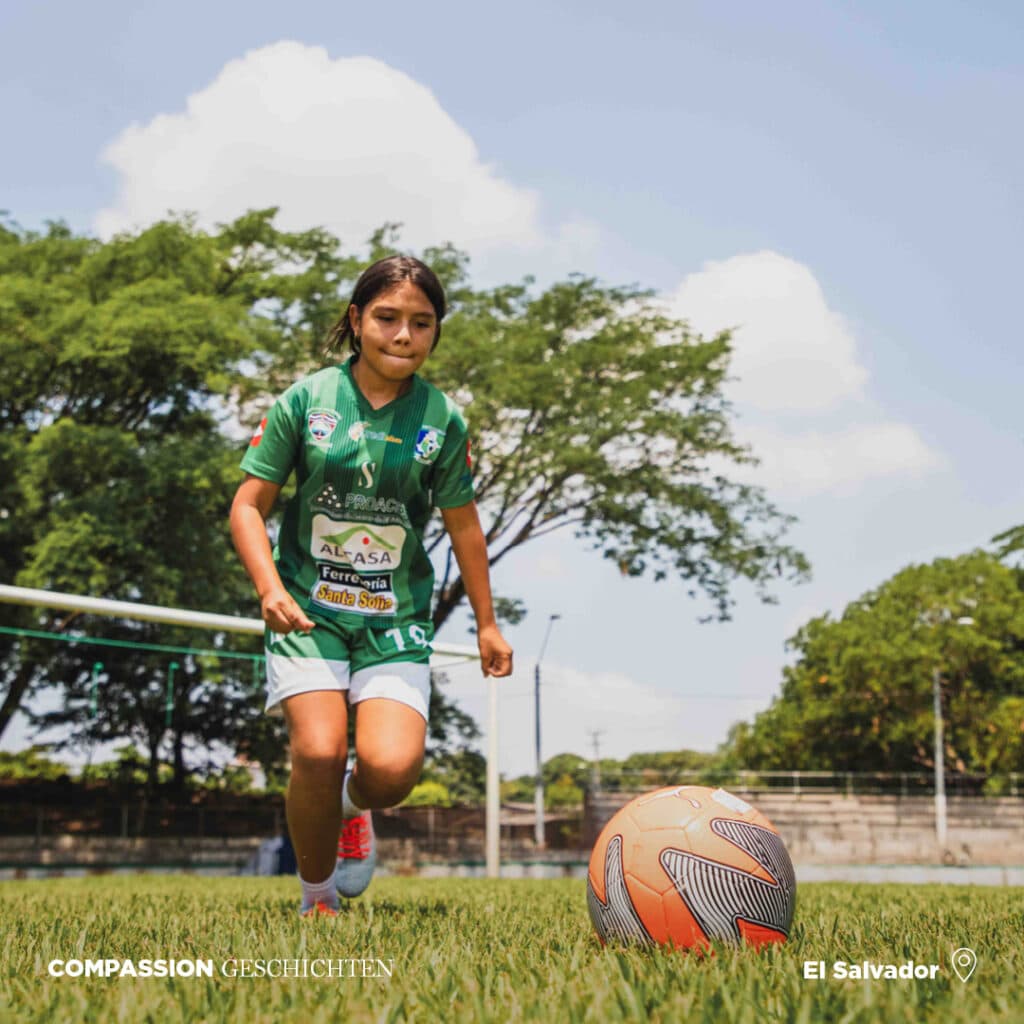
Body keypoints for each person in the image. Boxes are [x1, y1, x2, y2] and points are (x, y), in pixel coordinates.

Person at [230, 255, 513, 917]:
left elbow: (465, 529)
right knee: (319, 749)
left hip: (395, 619)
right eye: (387, 318)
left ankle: (354, 810)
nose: (404, 335)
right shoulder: (305, 400)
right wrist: (269, 587)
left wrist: (486, 622)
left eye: (422, 322)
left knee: (390, 773)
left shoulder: (442, 418)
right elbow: (248, 506)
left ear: (437, 331)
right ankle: (318, 898)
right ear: (357, 321)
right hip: (308, 612)